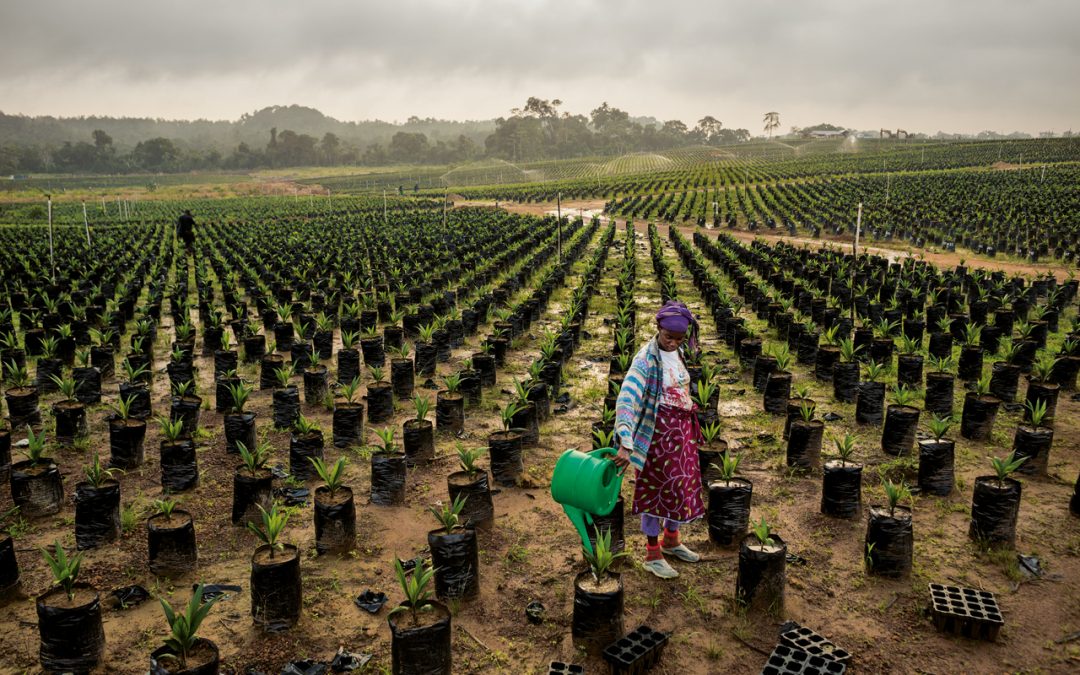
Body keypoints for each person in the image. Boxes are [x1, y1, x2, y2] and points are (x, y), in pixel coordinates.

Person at [613, 300, 705, 579]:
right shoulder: (645, 359)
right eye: (669, 337)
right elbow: (628, 396)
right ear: (658, 329)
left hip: (681, 432)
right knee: (656, 491)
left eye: (679, 339)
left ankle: (672, 540)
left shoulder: (678, 353)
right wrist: (626, 440)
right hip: (657, 435)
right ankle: (652, 553)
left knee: (681, 489)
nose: (673, 343)